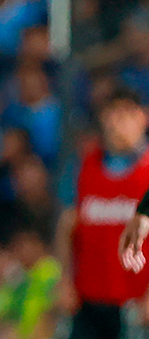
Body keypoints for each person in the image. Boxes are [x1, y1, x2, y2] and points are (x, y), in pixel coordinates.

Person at [60, 87, 149, 338]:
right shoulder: (84, 164)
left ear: (143, 117)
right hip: (88, 299)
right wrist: (65, 278)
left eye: (128, 112)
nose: (119, 121)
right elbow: (68, 225)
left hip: (135, 304)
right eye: (113, 112)